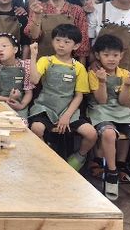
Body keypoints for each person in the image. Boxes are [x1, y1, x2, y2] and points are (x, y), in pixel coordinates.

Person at [87, 34, 130, 200]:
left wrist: (128, 85)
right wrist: (102, 81)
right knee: (109, 133)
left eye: (115, 55)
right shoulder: (94, 73)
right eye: (106, 55)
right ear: (98, 55)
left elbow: (124, 102)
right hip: (100, 111)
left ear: (121, 55)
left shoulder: (125, 74)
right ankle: (112, 171)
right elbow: (101, 100)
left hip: (122, 112)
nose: (111, 59)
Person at [28, 24, 97, 171]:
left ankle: (79, 157)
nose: (61, 45)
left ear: (76, 46)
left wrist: (66, 116)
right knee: (36, 128)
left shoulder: (78, 67)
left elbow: (79, 96)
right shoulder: (45, 60)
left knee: (91, 133)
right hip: (45, 107)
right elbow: (34, 80)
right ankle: (47, 158)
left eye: (67, 42)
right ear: (52, 41)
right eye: (58, 40)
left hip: (68, 109)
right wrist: (33, 56)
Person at [25, 0, 90, 61]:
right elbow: (33, 36)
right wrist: (37, 15)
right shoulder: (38, 8)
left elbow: (82, 47)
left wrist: (81, 69)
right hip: (41, 63)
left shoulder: (77, 11)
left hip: (68, 65)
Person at [0, 33, 35, 118]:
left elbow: (28, 93)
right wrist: (9, 99)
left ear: (15, 49)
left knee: (20, 124)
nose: (0, 49)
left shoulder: (26, 66)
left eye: (4, 46)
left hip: (19, 105)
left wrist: (21, 105)